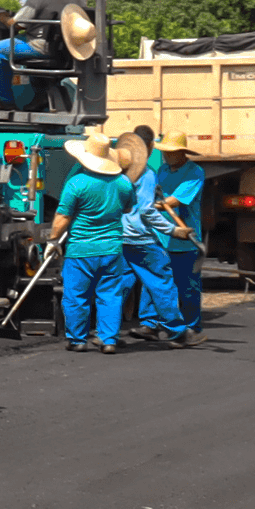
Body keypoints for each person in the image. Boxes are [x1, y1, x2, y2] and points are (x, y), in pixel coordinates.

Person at [50, 130, 135, 352]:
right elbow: (128, 207)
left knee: (76, 295)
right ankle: (108, 340)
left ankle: (77, 340)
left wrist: (52, 240)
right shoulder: (124, 182)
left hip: (81, 248)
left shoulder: (77, 183)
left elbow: (62, 217)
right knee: (110, 295)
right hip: (112, 248)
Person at [115, 126, 192, 348]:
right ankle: (178, 332)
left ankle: (106, 332)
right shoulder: (147, 174)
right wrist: (172, 230)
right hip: (141, 239)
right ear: (150, 147)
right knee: (162, 282)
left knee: (117, 284)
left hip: (119, 237)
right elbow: (147, 211)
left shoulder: (117, 170)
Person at [157, 143, 210, 335]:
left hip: (185, 239)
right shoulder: (162, 170)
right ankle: (159, 324)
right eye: (165, 152)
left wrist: (154, 205)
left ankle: (192, 327)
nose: (167, 156)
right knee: (161, 285)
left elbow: (176, 200)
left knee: (188, 287)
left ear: (182, 152)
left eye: (171, 152)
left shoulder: (195, 172)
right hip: (162, 238)